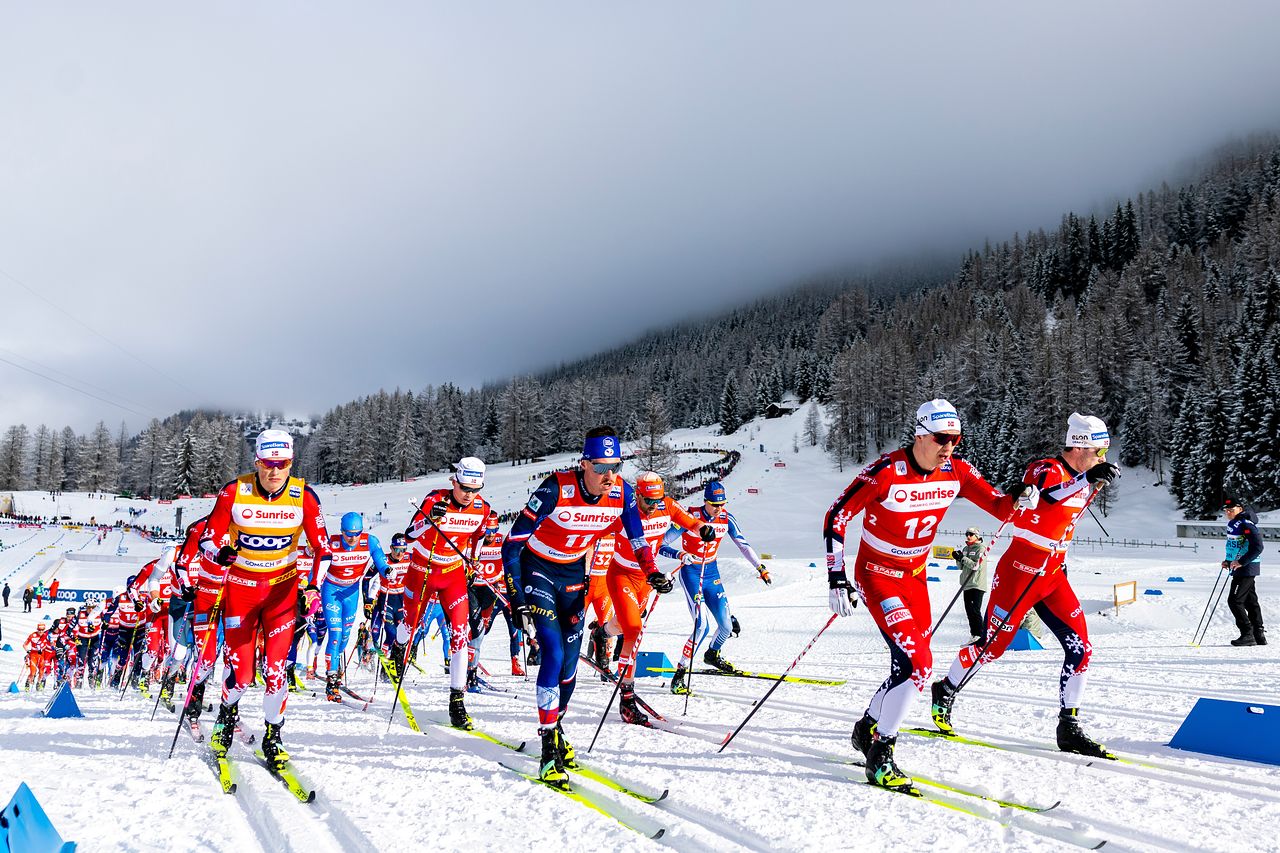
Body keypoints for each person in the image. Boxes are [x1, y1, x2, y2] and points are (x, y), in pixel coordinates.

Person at [823, 398, 1026, 794]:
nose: (948, 446)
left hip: (915, 578)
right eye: (940, 438)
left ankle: (866, 728)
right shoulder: (885, 472)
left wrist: (1021, 497)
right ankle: (881, 757)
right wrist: (835, 576)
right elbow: (837, 516)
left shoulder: (957, 471)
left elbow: (1002, 509)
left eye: (955, 439)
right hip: (878, 576)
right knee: (920, 664)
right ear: (920, 434)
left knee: (909, 667)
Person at [931, 412, 1120, 759]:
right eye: (1100, 452)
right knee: (992, 648)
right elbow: (1045, 497)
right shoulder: (1046, 468)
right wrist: (1086, 480)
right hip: (1020, 570)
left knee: (1081, 648)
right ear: (1081, 447)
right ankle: (945, 688)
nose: (1103, 458)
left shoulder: (1082, 475)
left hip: (1051, 575)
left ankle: (1069, 725)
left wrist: (1089, 478)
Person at [503, 426, 660, 788]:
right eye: (601, 467)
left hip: (575, 574)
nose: (609, 476)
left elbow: (637, 539)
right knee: (554, 655)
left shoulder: (621, 493)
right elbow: (511, 547)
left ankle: (557, 729)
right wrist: (517, 602)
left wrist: (652, 572)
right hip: (538, 570)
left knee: (571, 666)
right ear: (584, 463)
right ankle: (546, 752)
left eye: (616, 467)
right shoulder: (555, 487)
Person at [198, 429, 333, 769]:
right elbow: (207, 539)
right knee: (242, 675)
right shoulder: (234, 492)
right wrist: (220, 552)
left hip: (281, 593)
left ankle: (274, 735)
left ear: (291, 463)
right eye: (267, 464)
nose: (274, 471)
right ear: (256, 462)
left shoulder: (304, 497)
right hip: (240, 592)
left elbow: (324, 549)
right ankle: (227, 714)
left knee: (276, 672)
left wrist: (313, 586)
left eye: (282, 464)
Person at [596, 470, 709, 723]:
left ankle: (602, 632)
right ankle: (626, 699)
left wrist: (704, 530)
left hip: (647, 578)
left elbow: (692, 522)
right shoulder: (625, 512)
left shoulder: (667, 506)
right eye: (648, 501)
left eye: (657, 501)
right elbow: (593, 532)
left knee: (626, 624)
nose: (653, 506)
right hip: (621, 574)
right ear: (637, 495)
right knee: (634, 630)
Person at [396, 457, 493, 730]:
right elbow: (409, 536)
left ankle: (457, 701)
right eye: (464, 488)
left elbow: (477, 539)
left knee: (461, 635)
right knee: (411, 623)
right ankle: (398, 646)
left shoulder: (483, 509)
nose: (468, 495)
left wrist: (473, 562)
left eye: (474, 490)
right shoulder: (434, 499)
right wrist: (431, 520)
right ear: (454, 481)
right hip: (422, 569)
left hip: (452, 574)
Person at [664, 479, 769, 693]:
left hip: (711, 572)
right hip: (692, 573)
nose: (718, 509)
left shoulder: (726, 519)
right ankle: (680, 674)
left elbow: (743, 544)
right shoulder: (690, 517)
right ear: (705, 501)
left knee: (726, 627)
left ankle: (712, 654)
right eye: (714, 504)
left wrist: (760, 568)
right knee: (702, 626)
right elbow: (661, 544)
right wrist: (680, 555)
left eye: (722, 504)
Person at [321, 512, 388, 700]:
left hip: (351, 593)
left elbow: (381, 561)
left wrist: (387, 570)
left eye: (357, 533)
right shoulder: (331, 544)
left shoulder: (370, 542)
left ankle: (336, 664)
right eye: (348, 534)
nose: (352, 538)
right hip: (331, 591)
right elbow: (316, 569)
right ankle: (332, 680)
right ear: (341, 531)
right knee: (335, 633)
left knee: (345, 636)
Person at [468, 511, 526, 680]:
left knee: (514, 628)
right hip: (483, 589)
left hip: (501, 590)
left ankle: (515, 662)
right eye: (487, 531)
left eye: (494, 530)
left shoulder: (502, 541)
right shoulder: (475, 542)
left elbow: (513, 560)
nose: (491, 534)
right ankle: (468, 653)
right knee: (483, 628)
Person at [1223, 496, 1266, 646]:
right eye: (1226, 510)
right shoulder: (1233, 523)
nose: (1228, 512)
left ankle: (1247, 634)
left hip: (1246, 567)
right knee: (1250, 600)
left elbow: (1258, 547)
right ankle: (1258, 634)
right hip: (1239, 566)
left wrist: (1241, 562)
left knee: (1234, 601)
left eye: (1231, 509)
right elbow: (1234, 545)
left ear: (1240, 509)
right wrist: (1228, 560)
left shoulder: (1246, 524)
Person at [954, 527, 987, 643]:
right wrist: (958, 558)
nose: (968, 536)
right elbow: (961, 567)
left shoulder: (981, 549)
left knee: (975, 610)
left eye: (971, 534)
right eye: (967, 534)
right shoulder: (965, 548)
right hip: (966, 584)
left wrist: (963, 558)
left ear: (977, 536)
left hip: (976, 584)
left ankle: (980, 635)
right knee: (969, 611)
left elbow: (976, 566)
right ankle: (974, 635)